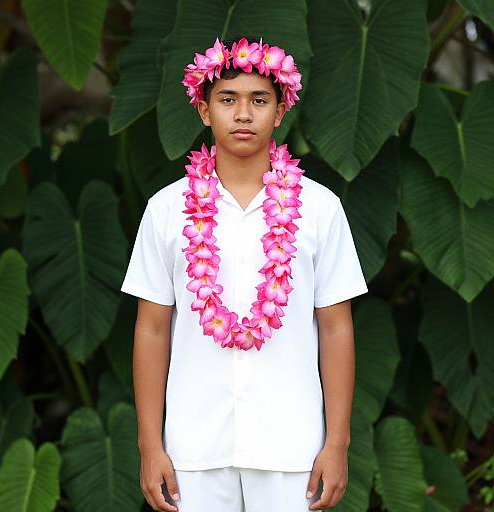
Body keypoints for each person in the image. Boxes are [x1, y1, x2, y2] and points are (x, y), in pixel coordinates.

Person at [120, 35, 368, 512]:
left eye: (259, 100)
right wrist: (150, 446)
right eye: (227, 99)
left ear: (279, 112)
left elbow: (336, 326)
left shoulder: (319, 209)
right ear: (203, 109)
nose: (242, 114)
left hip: (292, 445)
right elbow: (151, 328)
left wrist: (336, 444)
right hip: (192, 446)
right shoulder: (167, 209)